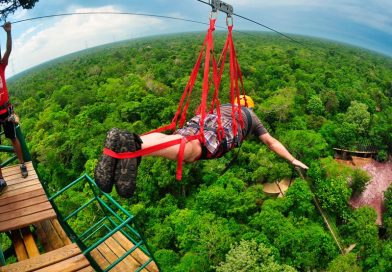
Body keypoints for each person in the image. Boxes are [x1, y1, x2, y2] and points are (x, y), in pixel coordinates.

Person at [95, 95, 308, 198]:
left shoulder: (223, 106)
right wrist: (292, 159)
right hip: (219, 132)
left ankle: (133, 142)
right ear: (249, 107)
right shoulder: (251, 117)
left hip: (201, 121)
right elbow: (271, 142)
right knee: (191, 152)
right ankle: (131, 146)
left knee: (176, 138)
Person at [0, 22, 28, 195]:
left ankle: (22, 163)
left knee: (13, 138)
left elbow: (8, 51)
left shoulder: (1, 67)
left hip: (5, 110)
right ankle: (0, 178)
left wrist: (9, 33)